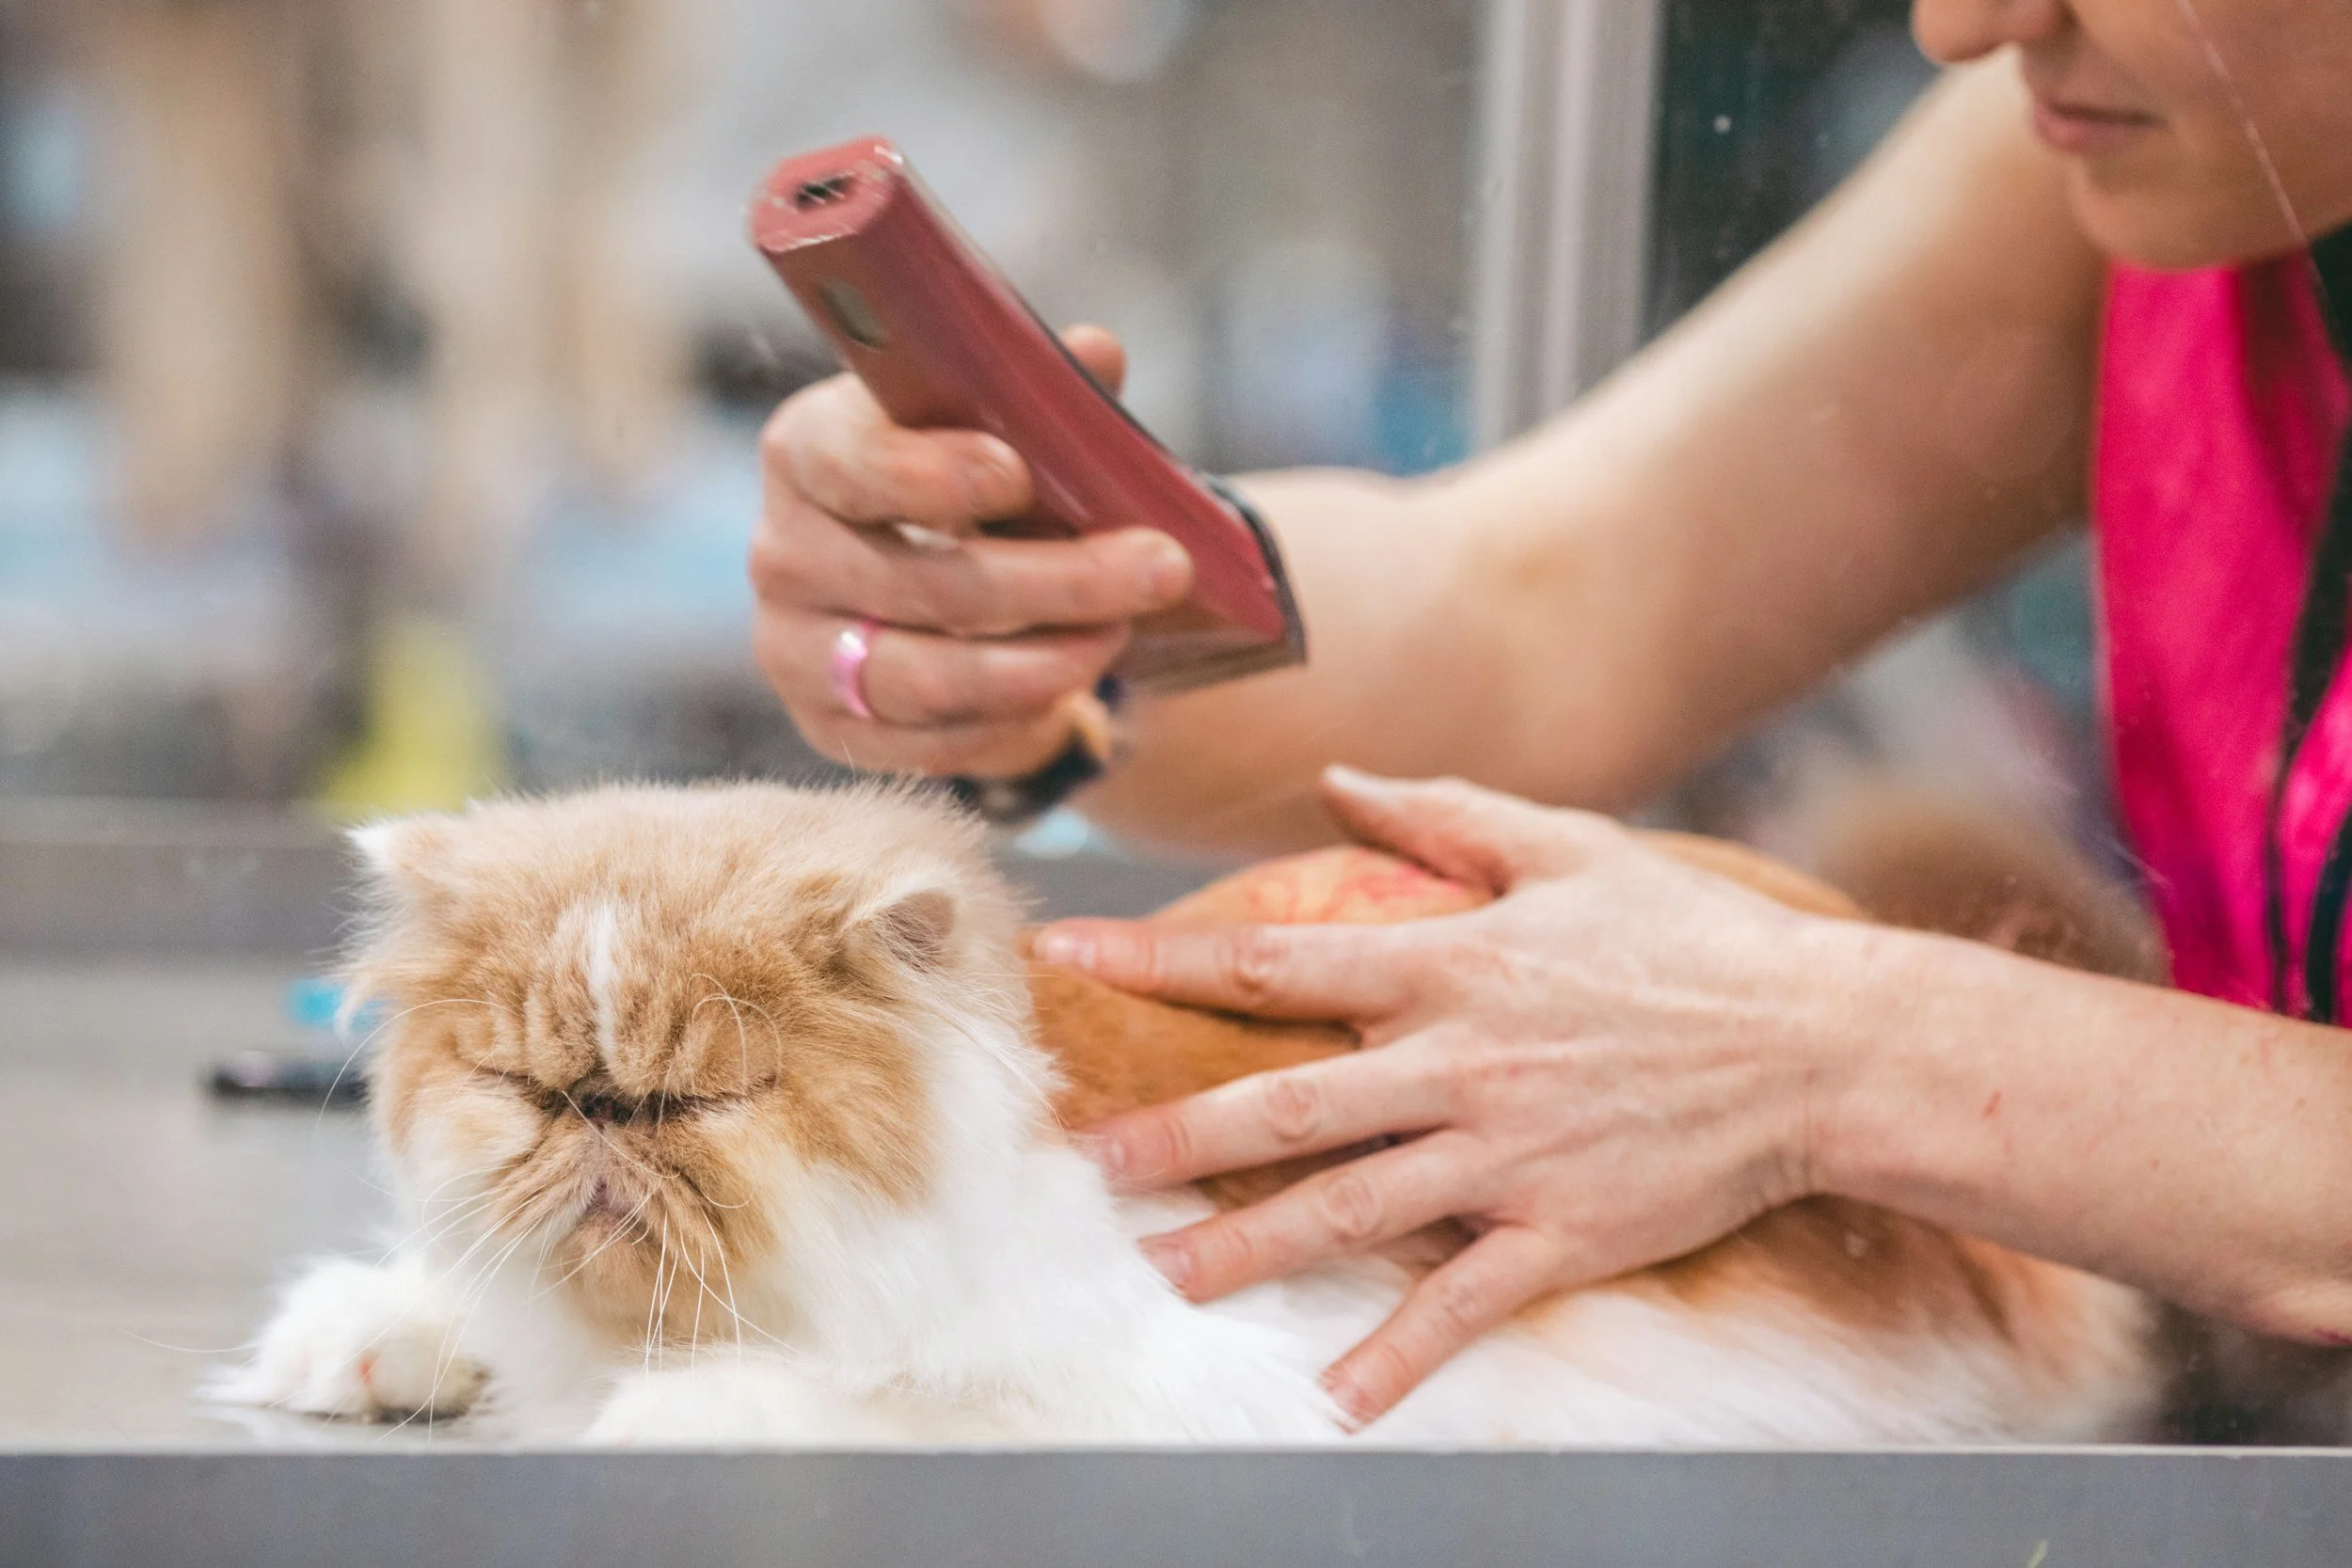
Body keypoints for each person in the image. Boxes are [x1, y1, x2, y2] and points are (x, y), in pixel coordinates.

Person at [748, 0, 2352, 1427]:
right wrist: (1056, 615)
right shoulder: (2115, 149)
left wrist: (1842, 1049)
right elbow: (1547, 610)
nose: (1957, 29)